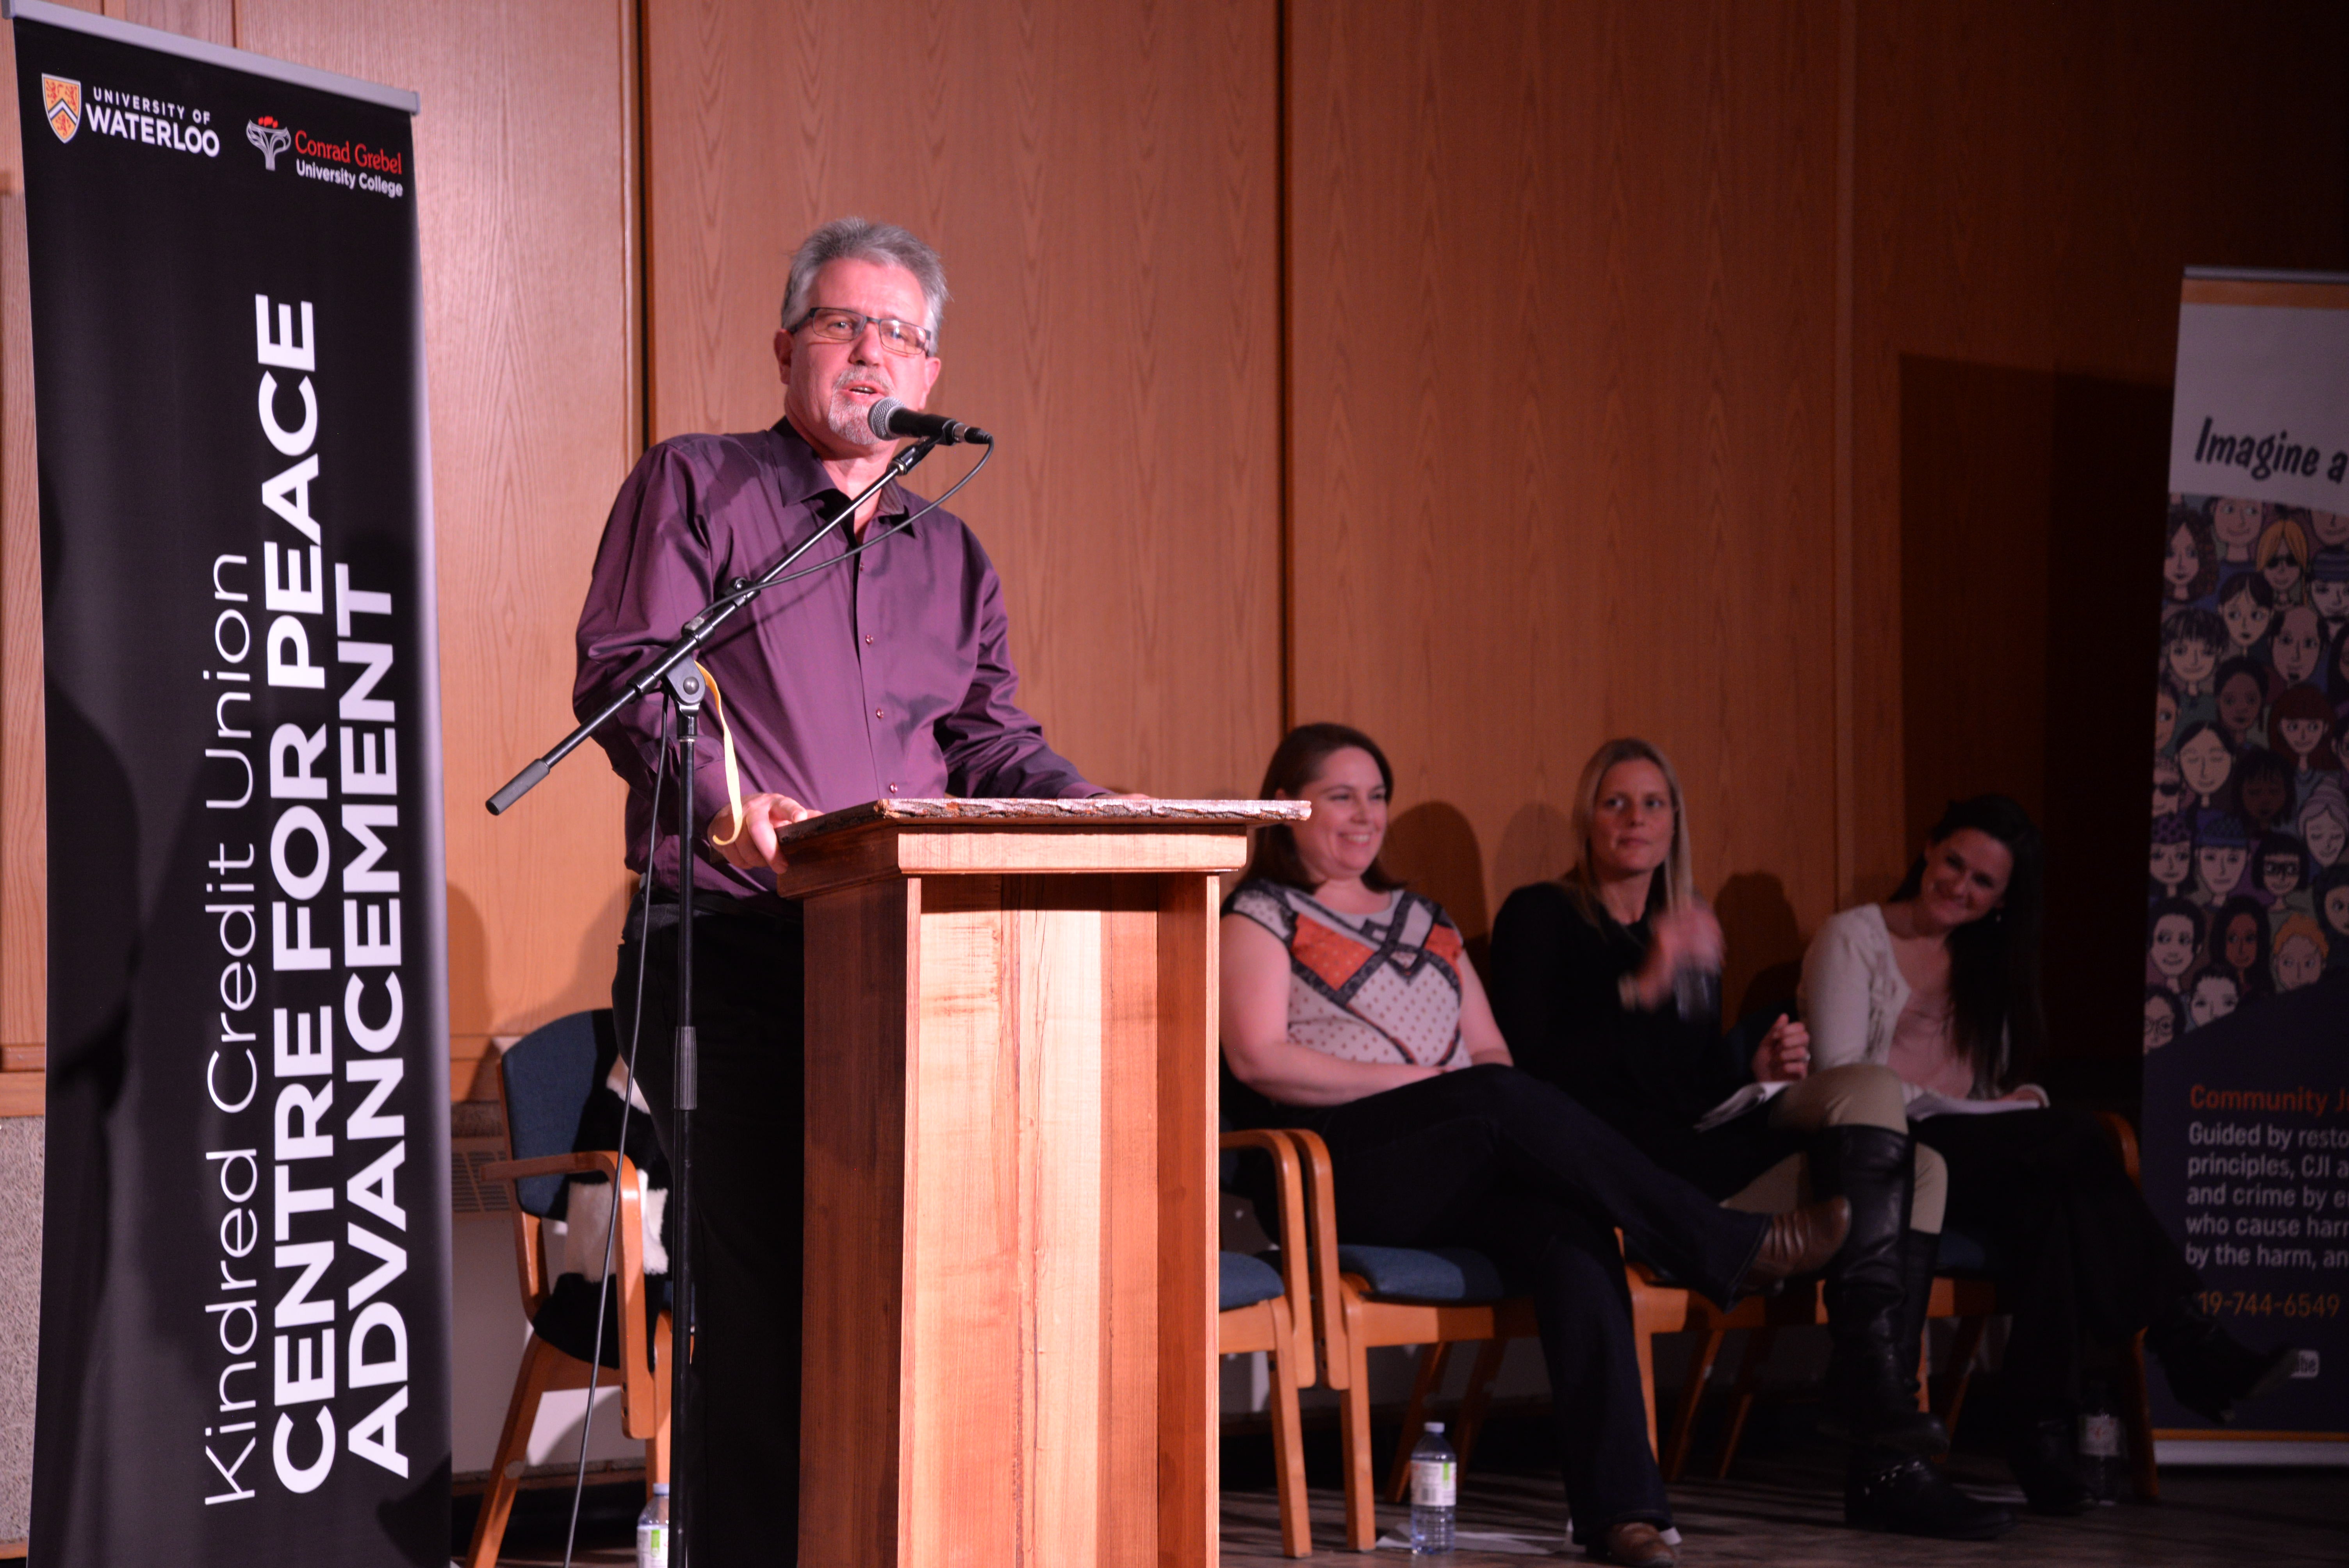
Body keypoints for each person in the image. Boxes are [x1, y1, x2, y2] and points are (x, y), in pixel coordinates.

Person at [574, 217, 1109, 1561]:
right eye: (841, 325)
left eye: (899, 334)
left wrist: (1099, 815)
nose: (871, 352)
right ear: (785, 349)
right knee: (759, 1305)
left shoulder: (954, 557)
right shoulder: (699, 487)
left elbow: (987, 742)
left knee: (909, 1298)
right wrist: (724, 800)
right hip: (729, 946)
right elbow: (638, 671)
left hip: (901, 973)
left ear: (931, 373)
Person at [1219, 725, 1850, 1568]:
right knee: (1496, 1101)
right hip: (1338, 1168)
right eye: (1340, 796)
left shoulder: (1425, 917)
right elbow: (1259, 1057)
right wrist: (1421, 1085)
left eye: (1376, 796)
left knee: (1571, 1230)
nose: (1364, 816)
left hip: (1447, 1156)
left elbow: (1492, 1056)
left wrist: (1451, 1085)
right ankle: (1722, 1242)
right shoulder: (1260, 914)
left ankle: (1622, 1513)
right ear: (1288, 809)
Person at [1488, 738, 2010, 1541]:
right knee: (1898, 1149)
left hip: (1701, 1138)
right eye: (1614, 802)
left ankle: (1874, 1406)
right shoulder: (1539, 914)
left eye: (1652, 803)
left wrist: (1752, 1064)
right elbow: (1533, 1073)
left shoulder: (1690, 927)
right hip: (1617, 1167)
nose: (1634, 819)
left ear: (1674, 823)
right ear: (1585, 820)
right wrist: (1643, 983)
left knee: (1921, 1158)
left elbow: (1689, 1085)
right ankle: (1880, 1432)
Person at [1802, 796, 2301, 1514]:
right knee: (2077, 1139)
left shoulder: (1989, 966)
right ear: (1928, 848)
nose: (1959, 888)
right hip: (1886, 1153)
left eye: (1983, 883)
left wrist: (2012, 1103)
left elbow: (1985, 1085)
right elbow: (1842, 1076)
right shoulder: (1853, 938)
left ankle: (2044, 1433)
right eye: (1953, 864)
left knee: (2057, 1210)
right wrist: (1982, 1112)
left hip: (1970, 1152)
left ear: (2004, 901)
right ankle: (2181, 1343)